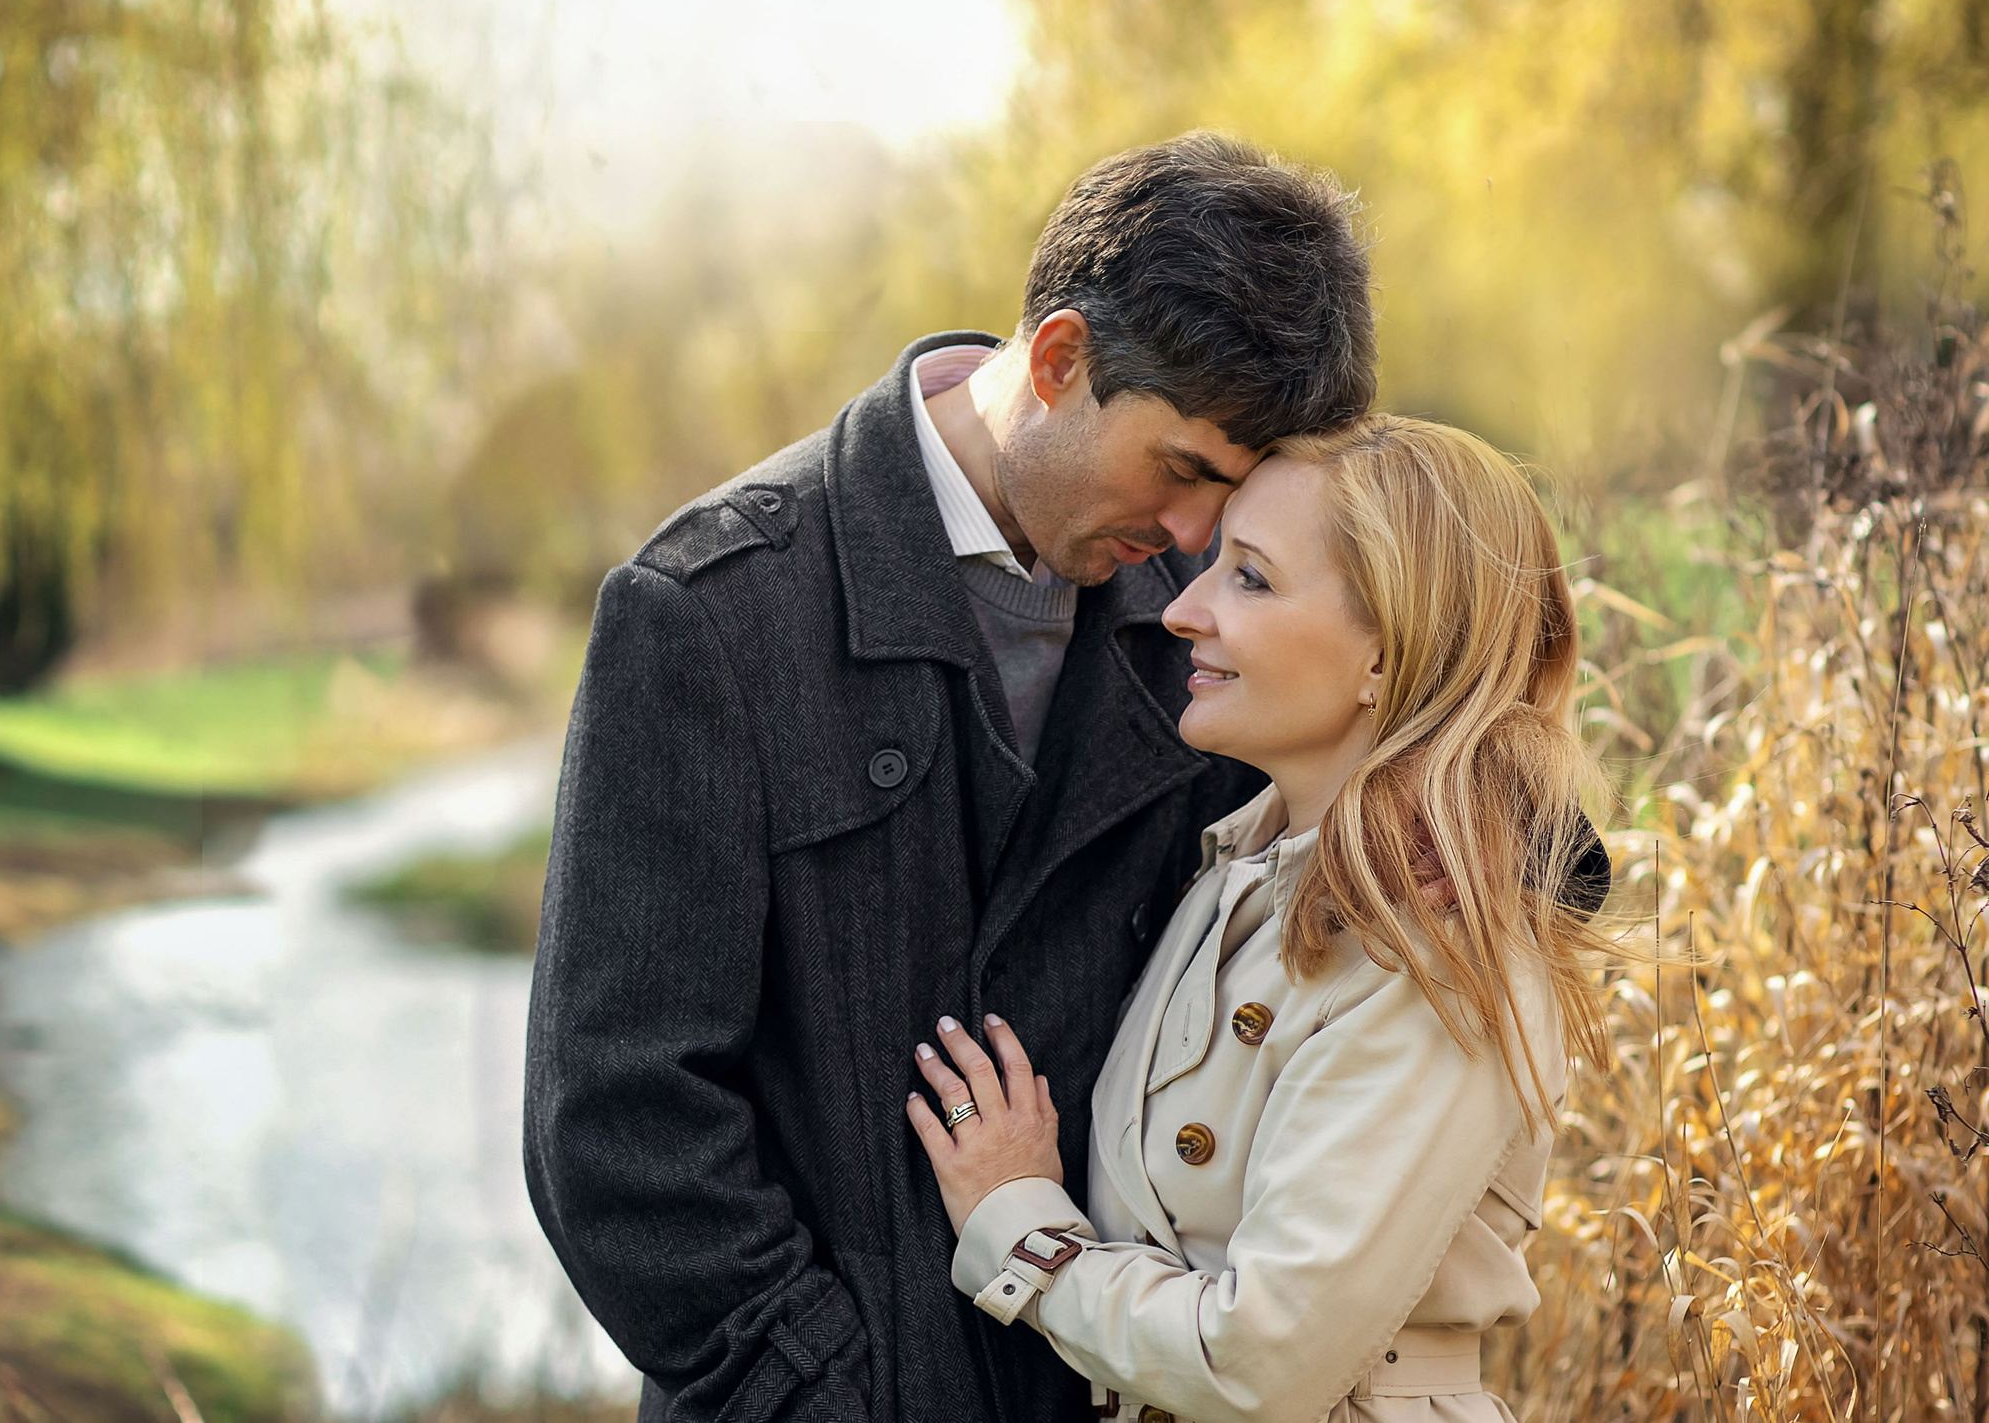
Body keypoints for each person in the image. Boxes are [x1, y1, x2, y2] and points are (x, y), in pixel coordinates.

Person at [524, 133, 1380, 1423]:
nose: (1200, 539)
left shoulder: (1208, 626)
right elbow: (617, 1128)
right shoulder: (704, 613)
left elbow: (1418, 707)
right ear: (1056, 360)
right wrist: (835, 1388)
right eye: (1186, 470)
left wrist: (1501, 842)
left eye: (1238, 492)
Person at [906, 416, 1610, 1423]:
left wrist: (1016, 1221)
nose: (1185, 609)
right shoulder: (1239, 867)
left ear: (1389, 651)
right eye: (1211, 563)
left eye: (1250, 577)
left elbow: (1261, 1363)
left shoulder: (1436, 945)